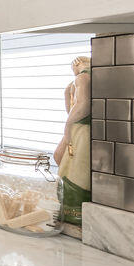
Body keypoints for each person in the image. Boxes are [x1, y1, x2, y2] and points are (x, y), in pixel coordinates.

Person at [54, 55, 91, 224]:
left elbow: (83, 105)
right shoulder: (81, 80)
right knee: (63, 160)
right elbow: (72, 108)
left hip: (80, 130)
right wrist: (67, 92)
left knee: (74, 169)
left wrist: (68, 126)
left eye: (73, 67)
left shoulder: (83, 78)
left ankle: (73, 210)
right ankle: (69, 209)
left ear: (78, 64)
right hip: (80, 129)